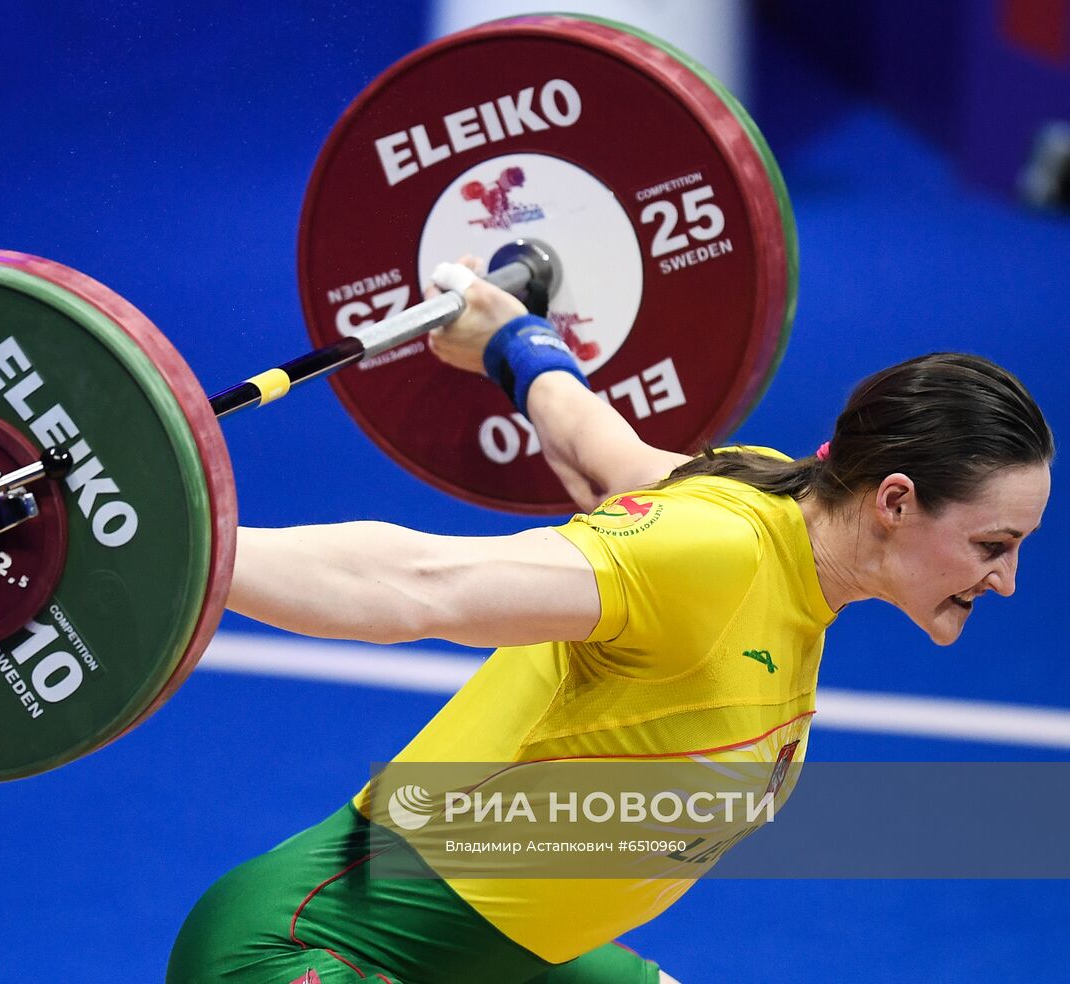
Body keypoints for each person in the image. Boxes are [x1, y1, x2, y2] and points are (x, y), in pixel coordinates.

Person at [167, 260, 1053, 984]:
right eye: (993, 543)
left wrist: (515, 342)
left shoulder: (766, 496)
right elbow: (424, 583)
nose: (1007, 580)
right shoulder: (717, 556)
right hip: (304, 953)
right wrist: (183, 548)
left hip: (495, 959)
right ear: (895, 500)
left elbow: (604, 458)